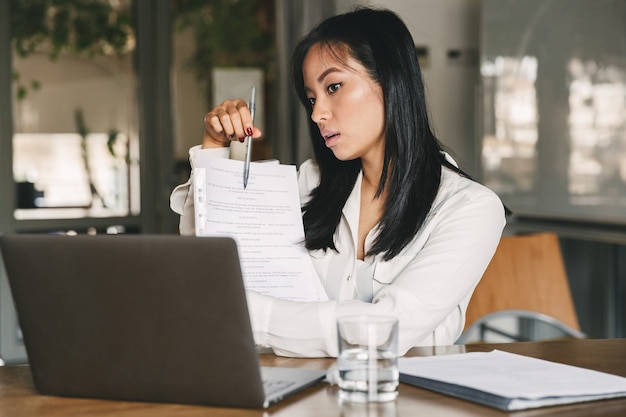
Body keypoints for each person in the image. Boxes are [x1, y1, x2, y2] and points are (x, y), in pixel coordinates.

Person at [170, 7, 507, 357]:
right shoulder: (308, 183)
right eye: (312, 98)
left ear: (390, 82)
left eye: (334, 87)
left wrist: (242, 310)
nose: (317, 114)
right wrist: (215, 146)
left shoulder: (470, 209)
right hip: (299, 398)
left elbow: (386, 329)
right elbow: (207, 264)